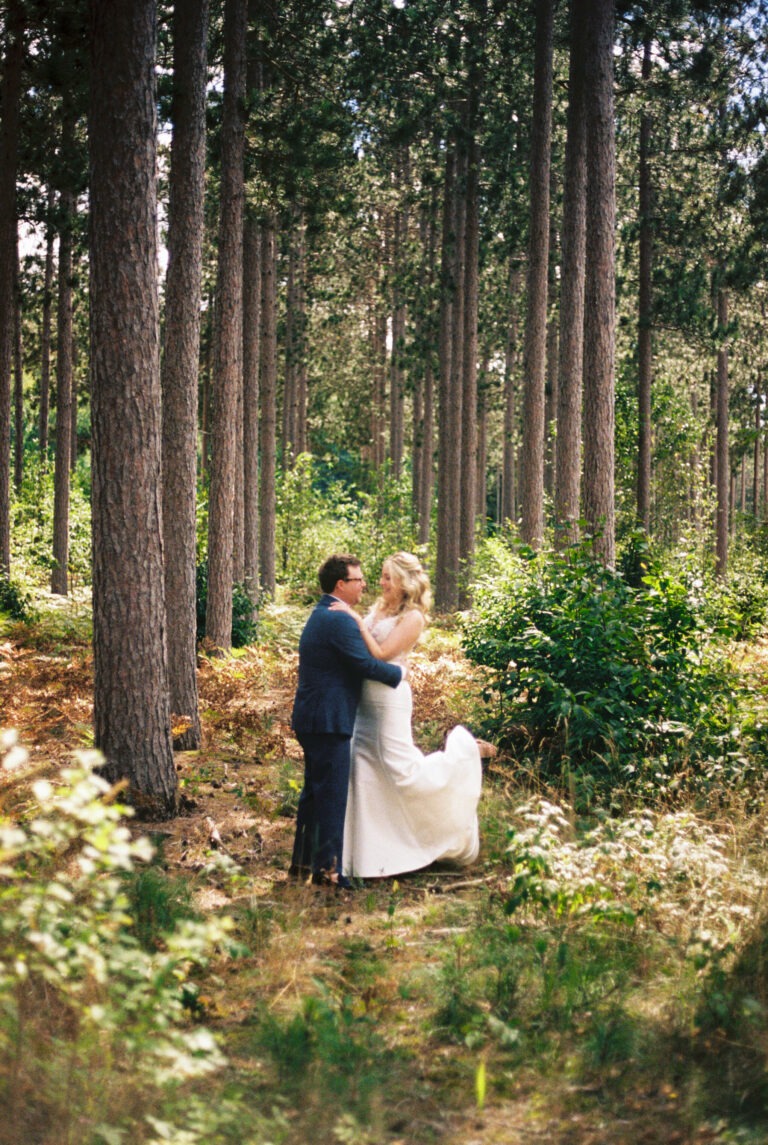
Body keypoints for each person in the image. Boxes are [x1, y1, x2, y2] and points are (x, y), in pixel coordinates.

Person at [330, 551, 495, 880]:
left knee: (400, 769)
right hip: (364, 700)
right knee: (363, 771)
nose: (381, 583)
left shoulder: (414, 618)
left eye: (388, 577)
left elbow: (381, 654)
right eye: (382, 576)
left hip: (389, 698)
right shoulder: (379, 608)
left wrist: (353, 620)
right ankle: (367, 856)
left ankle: (463, 761)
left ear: (405, 583)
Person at [289, 553, 403, 890]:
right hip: (328, 719)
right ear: (341, 584)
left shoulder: (325, 613)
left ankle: (302, 864)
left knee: (313, 793)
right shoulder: (337, 619)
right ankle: (328, 872)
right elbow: (366, 665)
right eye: (358, 579)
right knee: (331, 797)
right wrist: (400, 673)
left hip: (314, 716)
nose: (365, 584)